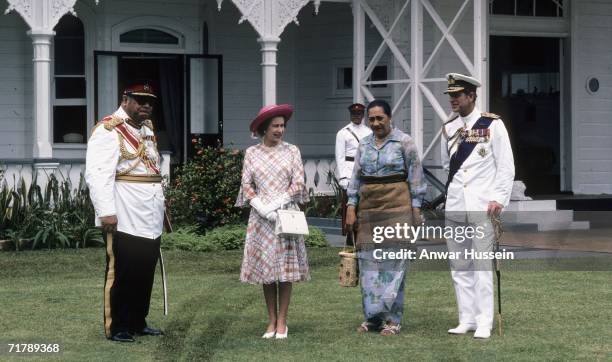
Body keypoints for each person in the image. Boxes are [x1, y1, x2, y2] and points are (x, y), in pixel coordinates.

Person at [86, 84, 165, 343]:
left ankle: (137, 321)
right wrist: (106, 212)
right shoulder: (108, 130)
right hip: (125, 211)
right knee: (122, 271)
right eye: (140, 100)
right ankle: (118, 326)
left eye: (149, 102)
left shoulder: (147, 130)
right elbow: (98, 174)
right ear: (125, 100)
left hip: (150, 212)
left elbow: (153, 170)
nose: (146, 106)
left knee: (145, 270)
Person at [440, 73, 515, 339]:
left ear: (471, 96)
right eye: (450, 96)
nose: (453, 101)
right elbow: (447, 167)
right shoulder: (449, 127)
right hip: (456, 205)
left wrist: (498, 198)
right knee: (459, 264)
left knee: (482, 265)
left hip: (483, 205)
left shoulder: (492, 125)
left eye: (457, 95)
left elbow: (505, 165)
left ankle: (484, 321)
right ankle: (466, 318)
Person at [345, 99, 426, 336]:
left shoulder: (405, 142)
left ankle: (392, 319)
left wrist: (416, 210)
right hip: (369, 209)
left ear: (390, 118)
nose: (376, 123)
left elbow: (416, 178)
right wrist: (351, 205)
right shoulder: (364, 144)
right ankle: (372, 318)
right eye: (371, 119)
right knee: (370, 263)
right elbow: (356, 177)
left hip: (397, 208)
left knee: (394, 264)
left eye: (380, 118)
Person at [235, 104, 310, 340]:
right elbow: (246, 185)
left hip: (285, 214)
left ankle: (283, 323)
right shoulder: (252, 153)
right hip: (261, 217)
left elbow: (298, 183)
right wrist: (261, 207)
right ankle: (271, 320)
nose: (280, 130)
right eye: (275, 126)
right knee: (267, 271)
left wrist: (276, 205)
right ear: (264, 129)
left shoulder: (292, 151)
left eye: (282, 125)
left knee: (285, 271)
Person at [335, 103, 372, 239]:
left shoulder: (369, 132)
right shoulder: (343, 133)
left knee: (365, 205)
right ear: (350, 115)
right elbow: (340, 156)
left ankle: (365, 234)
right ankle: (350, 235)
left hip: (366, 172)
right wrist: (343, 178)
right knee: (350, 207)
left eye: (359, 114)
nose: (357, 116)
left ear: (363, 115)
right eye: (354, 114)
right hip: (350, 173)